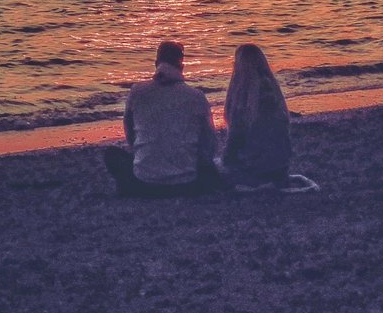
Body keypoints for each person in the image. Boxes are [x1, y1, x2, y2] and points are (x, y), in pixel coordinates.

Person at [103, 40, 219, 197]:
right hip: (186, 183)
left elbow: (130, 133)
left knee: (111, 155)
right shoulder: (196, 96)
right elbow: (209, 142)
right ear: (182, 67)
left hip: (145, 181)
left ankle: (133, 187)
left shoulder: (137, 91)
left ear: (156, 63)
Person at [221, 43, 291, 189]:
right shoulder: (274, 93)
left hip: (256, 171)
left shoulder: (243, 101)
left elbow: (232, 148)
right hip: (281, 169)